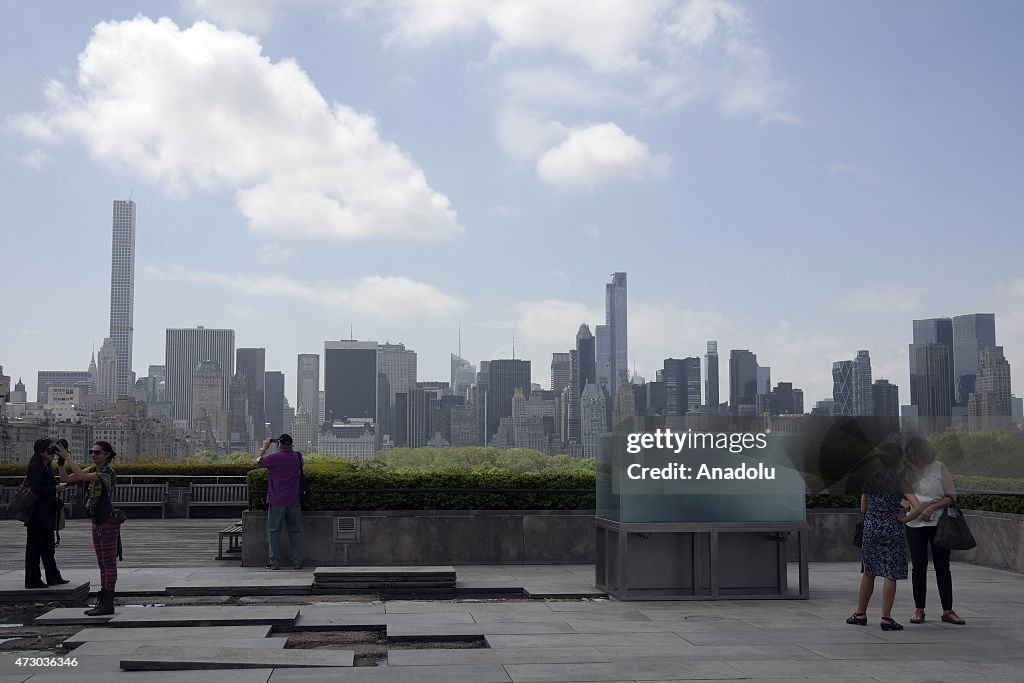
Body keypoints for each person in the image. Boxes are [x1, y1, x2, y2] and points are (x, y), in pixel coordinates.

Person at [847, 443, 922, 631]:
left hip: (871, 528)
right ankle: (886, 618)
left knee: (868, 572)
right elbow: (918, 508)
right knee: (890, 574)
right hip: (892, 528)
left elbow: (863, 508)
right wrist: (904, 519)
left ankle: (860, 614)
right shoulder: (900, 480)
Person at [903, 436, 965, 625]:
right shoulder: (906, 471)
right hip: (914, 524)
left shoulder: (939, 467)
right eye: (911, 455)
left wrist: (930, 509)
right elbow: (898, 496)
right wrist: (908, 506)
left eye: (917, 455)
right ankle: (919, 609)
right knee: (918, 568)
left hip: (939, 525)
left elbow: (951, 496)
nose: (914, 459)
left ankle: (948, 610)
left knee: (942, 568)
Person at [59, 440, 120, 616]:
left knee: (109, 564)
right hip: (97, 521)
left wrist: (68, 456)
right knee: (102, 563)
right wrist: (61, 463)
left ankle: (108, 602)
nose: (93, 455)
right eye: (91, 452)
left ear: (107, 455)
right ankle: (103, 601)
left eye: (97, 452)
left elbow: (82, 476)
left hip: (108, 521)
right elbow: (67, 479)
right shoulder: (93, 469)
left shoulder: (107, 472)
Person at [23, 438, 69, 589]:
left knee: (48, 547)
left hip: (46, 513)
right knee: (34, 548)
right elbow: (37, 488)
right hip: (37, 514)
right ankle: (33, 579)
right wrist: (55, 489)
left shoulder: (45, 467)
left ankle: (53, 576)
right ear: (41, 452)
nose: (52, 453)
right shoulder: (36, 467)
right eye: (50, 450)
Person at [256, 434, 303, 570]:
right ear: (291, 444)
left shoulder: (275, 458)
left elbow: (257, 462)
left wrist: (264, 447)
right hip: (294, 500)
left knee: (274, 531)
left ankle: (275, 562)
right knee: (296, 531)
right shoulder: (298, 457)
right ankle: (298, 561)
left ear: (279, 445)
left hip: (276, 500)